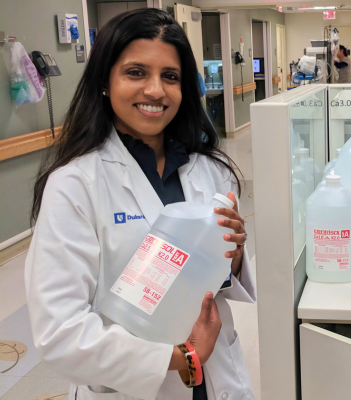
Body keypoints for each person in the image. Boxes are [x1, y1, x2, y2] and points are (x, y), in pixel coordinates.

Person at [24, 9, 255, 400]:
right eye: (135, 73)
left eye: (170, 76)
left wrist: (232, 255)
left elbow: (215, 280)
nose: (155, 91)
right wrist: (183, 357)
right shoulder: (75, 185)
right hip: (134, 383)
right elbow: (60, 332)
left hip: (215, 377)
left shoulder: (208, 170)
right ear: (104, 81)